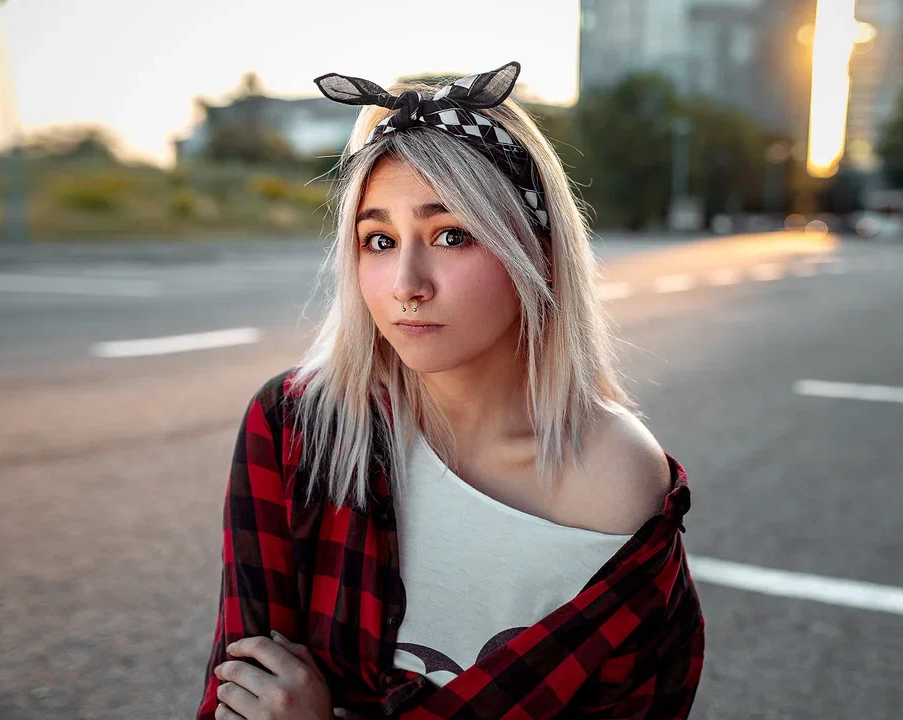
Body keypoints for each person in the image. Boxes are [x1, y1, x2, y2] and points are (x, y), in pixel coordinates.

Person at [196, 61, 703, 720]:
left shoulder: (618, 485)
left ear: (538, 253)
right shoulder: (300, 426)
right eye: (378, 240)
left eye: (450, 235)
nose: (407, 282)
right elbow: (238, 696)